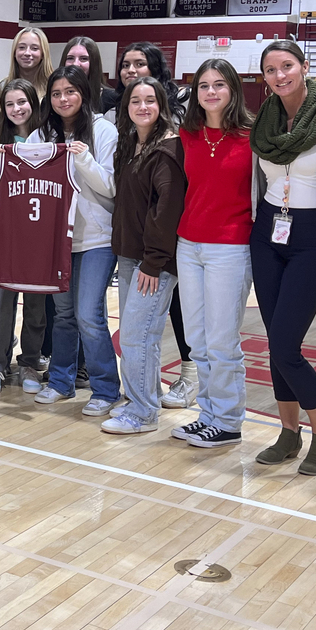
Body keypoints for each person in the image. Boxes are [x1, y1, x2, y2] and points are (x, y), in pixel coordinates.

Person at [248, 39, 316, 474]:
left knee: (286, 344)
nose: (280, 76)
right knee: (276, 344)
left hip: (315, 234)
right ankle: (288, 433)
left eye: (287, 66)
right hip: (269, 230)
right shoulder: (264, 120)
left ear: (304, 66)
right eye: (271, 70)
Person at [170, 59, 255, 449]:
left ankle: (228, 419)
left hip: (231, 248)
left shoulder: (252, 138)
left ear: (233, 90)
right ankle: (207, 415)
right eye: (203, 86)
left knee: (222, 341)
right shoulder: (186, 136)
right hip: (189, 246)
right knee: (198, 341)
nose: (210, 92)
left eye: (219, 85)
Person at [27, 66, 120, 411]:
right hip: (57, 239)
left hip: (97, 238)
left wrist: (83, 159)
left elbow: (110, 187)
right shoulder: (41, 135)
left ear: (83, 93)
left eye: (70, 91)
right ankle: (61, 381)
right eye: (56, 93)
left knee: (89, 314)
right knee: (63, 315)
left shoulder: (104, 130)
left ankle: (106, 389)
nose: (63, 99)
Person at [102, 78, 186, 436]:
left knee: (136, 336)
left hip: (153, 263)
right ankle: (144, 400)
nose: (142, 106)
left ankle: (142, 412)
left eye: (150, 100)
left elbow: (167, 211)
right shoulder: (131, 145)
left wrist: (154, 262)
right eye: (135, 100)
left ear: (161, 104)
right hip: (130, 256)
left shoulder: (167, 149)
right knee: (142, 337)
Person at [0, 78, 48, 395]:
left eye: (21, 102)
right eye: (9, 104)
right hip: (5, 233)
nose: (16, 109)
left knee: (36, 304)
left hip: (37, 233)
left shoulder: (50, 142)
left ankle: (30, 363)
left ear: (33, 104)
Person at [59, 35, 106, 114]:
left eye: (83, 59)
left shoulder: (112, 99)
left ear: (94, 63)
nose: (75, 64)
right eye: (70, 58)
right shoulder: (50, 99)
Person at [7, 27, 53, 99]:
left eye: (34, 48)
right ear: (14, 52)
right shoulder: (3, 86)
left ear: (43, 54)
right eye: (22, 47)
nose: (27, 53)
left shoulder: (53, 86)